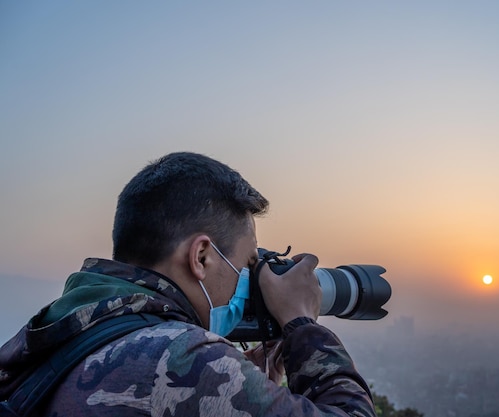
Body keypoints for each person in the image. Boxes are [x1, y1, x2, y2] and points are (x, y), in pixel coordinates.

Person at [0, 152, 376, 416]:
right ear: (201, 257)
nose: (250, 280)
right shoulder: (177, 358)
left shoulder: (62, 330)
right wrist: (301, 323)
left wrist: (241, 379)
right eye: (249, 264)